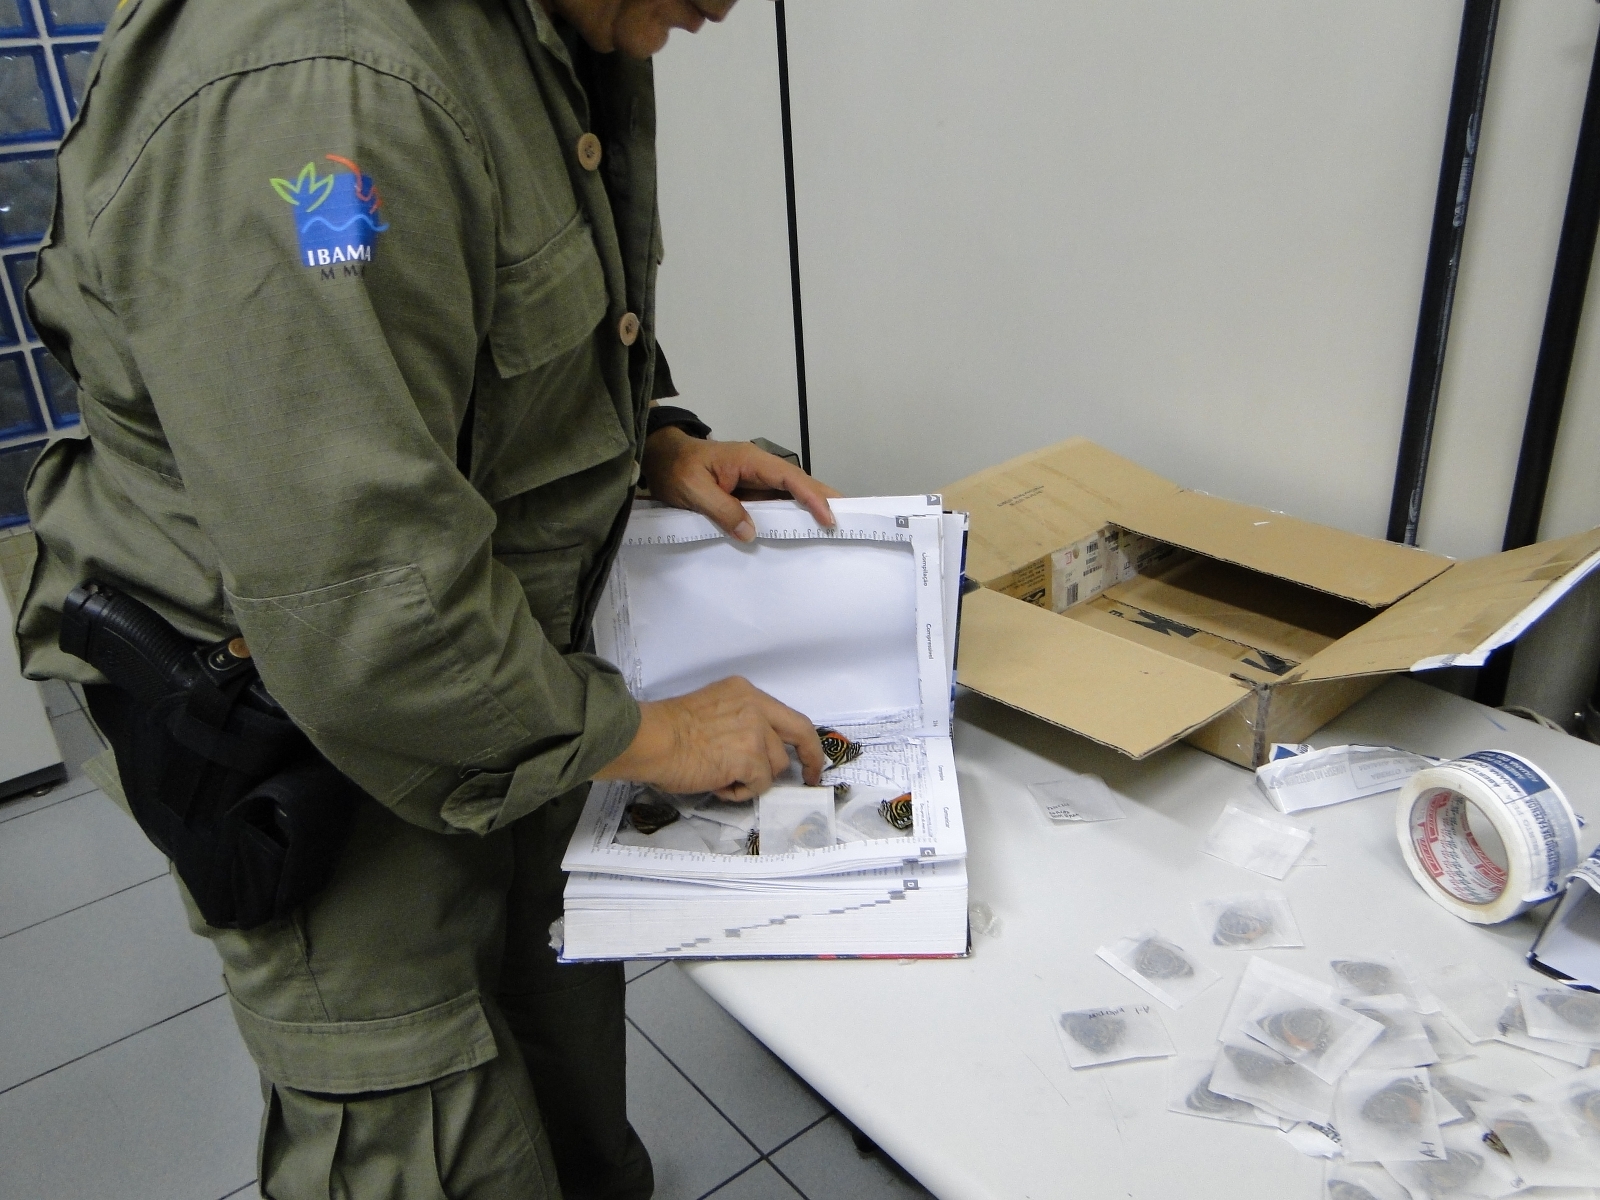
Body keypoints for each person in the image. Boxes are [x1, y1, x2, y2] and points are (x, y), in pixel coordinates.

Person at [13, 0, 838, 1194]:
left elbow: (468, 333)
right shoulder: (310, 94)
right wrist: (658, 736)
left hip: (506, 693)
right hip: (320, 742)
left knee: (563, 1079)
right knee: (433, 1131)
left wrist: (651, 439)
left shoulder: (533, 32)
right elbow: (352, 589)